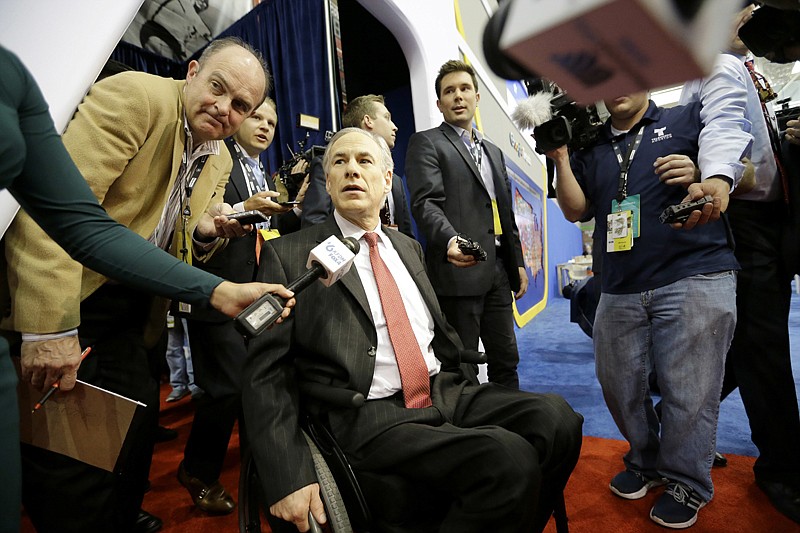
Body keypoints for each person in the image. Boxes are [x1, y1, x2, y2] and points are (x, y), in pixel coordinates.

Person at [1, 37, 292, 533]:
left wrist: (207, 233)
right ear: (193, 71)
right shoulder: (136, 96)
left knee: (130, 456)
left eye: (241, 105)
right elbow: (54, 217)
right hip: (78, 300)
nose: (225, 109)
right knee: (75, 471)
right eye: (218, 88)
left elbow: (176, 235)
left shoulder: (218, 157)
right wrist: (48, 330)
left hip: (140, 316)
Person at [242, 128, 583, 533]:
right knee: (508, 461)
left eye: (364, 161)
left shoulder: (407, 247)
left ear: (387, 180)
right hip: (368, 413)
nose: (352, 170)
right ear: (328, 182)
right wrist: (286, 474)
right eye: (339, 162)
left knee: (559, 419)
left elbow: (434, 332)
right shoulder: (290, 254)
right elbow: (265, 373)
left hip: (444, 390)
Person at [544, 92, 739, 529]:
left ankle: (687, 480)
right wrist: (559, 156)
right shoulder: (589, 144)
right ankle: (645, 458)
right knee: (618, 383)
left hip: (694, 272)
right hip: (618, 282)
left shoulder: (686, 116)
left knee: (689, 389)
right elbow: (577, 210)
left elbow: (733, 168)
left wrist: (702, 170)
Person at [679, 4, 800, 523]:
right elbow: (718, 142)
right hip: (744, 226)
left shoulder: (742, 68)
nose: (751, 11)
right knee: (764, 350)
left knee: (749, 345)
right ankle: (781, 470)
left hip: (772, 226)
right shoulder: (713, 67)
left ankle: (675, 422)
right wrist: (724, 175)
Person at [178, 97, 309, 514]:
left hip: (257, 294)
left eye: (272, 120)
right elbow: (197, 220)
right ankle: (197, 471)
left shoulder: (261, 173)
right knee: (226, 390)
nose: (266, 126)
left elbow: (268, 232)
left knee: (256, 384)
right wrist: (241, 209)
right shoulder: (217, 160)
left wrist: (295, 210)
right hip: (216, 292)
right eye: (257, 116)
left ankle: (258, 470)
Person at [405, 60, 528, 388]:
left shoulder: (494, 151)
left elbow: (505, 215)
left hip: (499, 272)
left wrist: (517, 264)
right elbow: (426, 204)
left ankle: (513, 430)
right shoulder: (428, 143)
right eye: (449, 91)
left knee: (506, 360)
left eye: (464, 89)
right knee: (462, 366)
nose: (458, 96)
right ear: (440, 103)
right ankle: (474, 436)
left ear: (476, 96)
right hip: (458, 273)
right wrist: (450, 241)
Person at [301, 94, 414, 237]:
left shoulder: (396, 180)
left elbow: (407, 235)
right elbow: (313, 225)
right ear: (368, 121)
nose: (395, 127)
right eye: (387, 118)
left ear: (387, 178)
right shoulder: (325, 165)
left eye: (365, 161)